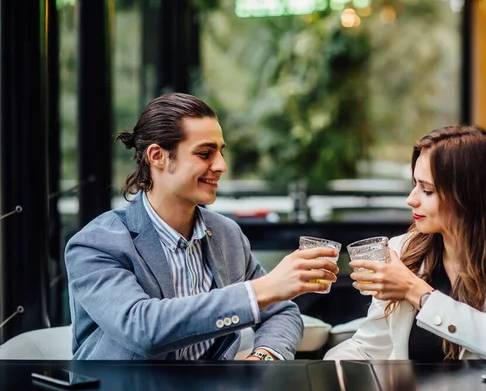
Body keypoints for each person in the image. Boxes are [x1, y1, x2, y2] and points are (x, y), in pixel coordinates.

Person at [65, 92, 338, 360]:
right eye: (205, 153)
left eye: (220, 152)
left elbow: (282, 312)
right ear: (157, 156)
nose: (221, 165)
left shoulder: (226, 234)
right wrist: (262, 290)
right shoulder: (95, 244)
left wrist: (263, 357)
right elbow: (142, 329)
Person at [324, 125, 486, 362]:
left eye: (427, 190)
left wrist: (414, 290)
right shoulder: (402, 251)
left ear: (469, 196)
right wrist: (325, 371)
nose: (411, 199)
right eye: (414, 185)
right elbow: (369, 346)